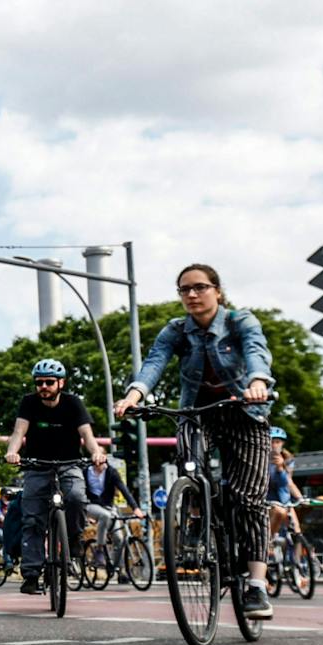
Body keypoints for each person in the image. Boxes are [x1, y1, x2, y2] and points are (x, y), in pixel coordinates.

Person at [115, 262, 276, 619]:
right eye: (184, 290)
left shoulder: (240, 321)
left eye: (199, 287)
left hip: (244, 413)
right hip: (196, 414)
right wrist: (135, 395)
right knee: (192, 471)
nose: (191, 295)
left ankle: (256, 586)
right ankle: (198, 519)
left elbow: (256, 351)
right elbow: (154, 363)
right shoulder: (176, 330)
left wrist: (258, 381)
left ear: (217, 290)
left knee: (248, 499)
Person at [4, 358, 102, 595]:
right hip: (37, 466)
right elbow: (19, 432)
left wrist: (97, 451)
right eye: (39, 382)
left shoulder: (73, 403)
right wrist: (12, 451)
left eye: (49, 382)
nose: (44, 387)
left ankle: (74, 538)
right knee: (32, 520)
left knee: (77, 498)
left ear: (61, 383)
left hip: (70, 465)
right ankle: (31, 574)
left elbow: (87, 436)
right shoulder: (28, 403)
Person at [81, 451, 140, 582]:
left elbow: (124, 490)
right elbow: (80, 493)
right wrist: (85, 515)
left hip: (109, 507)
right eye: (97, 461)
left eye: (102, 461)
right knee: (105, 516)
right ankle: (99, 550)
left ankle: (119, 569)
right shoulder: (85, 472)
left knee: (119, 538)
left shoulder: (111, 472)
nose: (100, 464)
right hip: (91, 506)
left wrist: (135, 508)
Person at [266, 428, 303, 540]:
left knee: (297, 530)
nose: (274, 445)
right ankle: (268, 543)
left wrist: (301, 498)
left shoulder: (288, 459)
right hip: (267, 499)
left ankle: (297, 557)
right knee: (279, 512)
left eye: (277, 442)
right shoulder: (261, 459)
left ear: (282, 443)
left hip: (284, 498)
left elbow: (289, 482)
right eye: (271, 441)